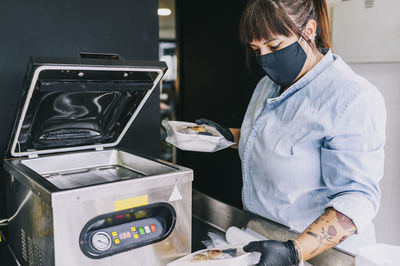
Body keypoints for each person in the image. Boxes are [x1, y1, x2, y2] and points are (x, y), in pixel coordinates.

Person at [193, 0, 387, 265]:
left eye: (274, 46)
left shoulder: (351, 97)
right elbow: (276, 140)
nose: (264, 58)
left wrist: (293, 252)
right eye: (255, 49)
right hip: (266, 237)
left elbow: (357, 198)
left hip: (322, 255)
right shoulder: (267, 86)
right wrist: (227, 136)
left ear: (308, 30)